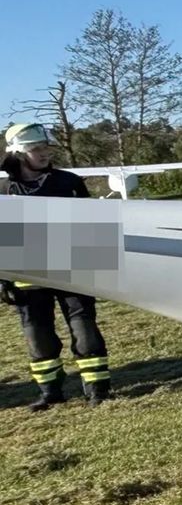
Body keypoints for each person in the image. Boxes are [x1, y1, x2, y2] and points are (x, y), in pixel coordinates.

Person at [0, 123, 110, 410]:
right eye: (36, 149)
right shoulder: (4, 188)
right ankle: (50, 393)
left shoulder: (68, 182)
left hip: (72, 268)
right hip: (28, 276)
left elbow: (95, 225)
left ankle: (97, 390)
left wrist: (100, 267)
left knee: (85, 331)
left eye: (46, 148)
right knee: (38, 337)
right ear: (17, 153)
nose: (44, 153)